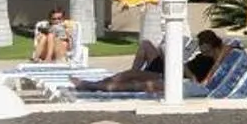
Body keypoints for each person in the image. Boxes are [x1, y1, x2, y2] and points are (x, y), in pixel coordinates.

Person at [90, 29, 236, 96]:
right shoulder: (207, 55)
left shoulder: (218, 55)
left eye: (202, 45)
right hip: (177, 70)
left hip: (174, 76)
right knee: (144, 47)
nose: (200, 49)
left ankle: (95, 85)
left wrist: (199, 79)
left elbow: (225, 52)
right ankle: (98, 84)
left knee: (133, 77)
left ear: (210, 44)